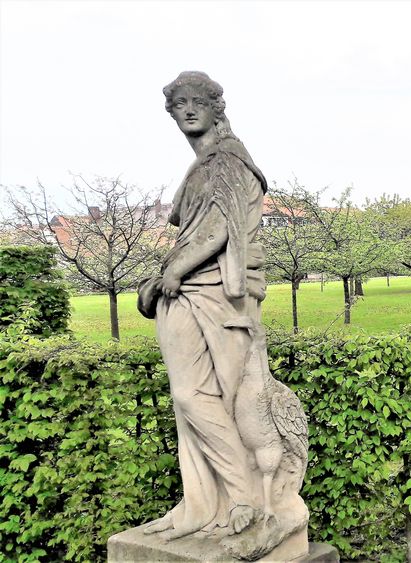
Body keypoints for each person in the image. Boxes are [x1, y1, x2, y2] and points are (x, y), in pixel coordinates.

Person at [137, 71, 269, 541]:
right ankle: (205, 502)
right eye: (179, 104)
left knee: (229, 398)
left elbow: (222, 227)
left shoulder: (230, 160)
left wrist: (174, 271)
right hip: (184, 294)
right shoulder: (202, 165)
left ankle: (246, 499)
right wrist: (163, 277)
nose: (188, 109)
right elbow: (197, 229)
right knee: (189, 397)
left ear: (217, 106)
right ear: (171, 113)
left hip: (220, 291)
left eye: (198, 101)